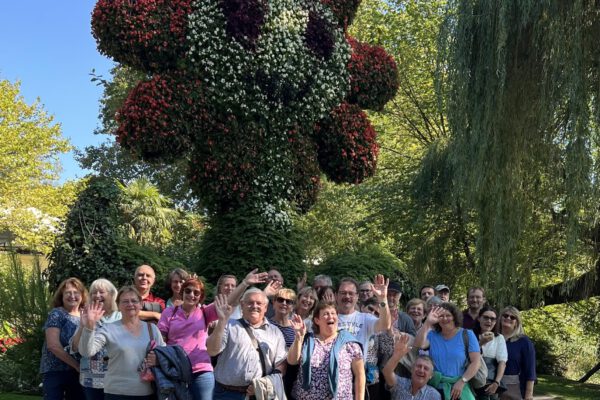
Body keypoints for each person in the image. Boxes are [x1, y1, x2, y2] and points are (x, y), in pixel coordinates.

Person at [159, 270, 268, 400]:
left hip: (201, 370)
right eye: (188, 291)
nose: (191, 295)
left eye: (196, 293)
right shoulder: (169, 312)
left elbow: (229, 301)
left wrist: (244, 283)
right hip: (175, 369)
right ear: (182, 292)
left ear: (201, 296)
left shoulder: (204, 312)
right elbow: (161, 340)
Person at [79, 286, 166, 400]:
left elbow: (165, 356)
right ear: (118, 306)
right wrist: (89, 326)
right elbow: (86, 351)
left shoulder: (152, 329)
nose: (130, 304)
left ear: (140, 304)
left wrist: (158, 359)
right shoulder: (108, 328)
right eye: (125, 301)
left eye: (134, 301)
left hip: (146, 393)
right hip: (116, 392)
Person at [207, 288, 287, 400]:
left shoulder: (276, 332)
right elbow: (212, 350)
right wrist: (221, 321)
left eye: (259, 303)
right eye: (250, 302)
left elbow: (281, 363)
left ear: (265, 307)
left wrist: (265, 383)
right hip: (225, 394)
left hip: (258, 395)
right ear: (242, 305)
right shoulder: (228, 325)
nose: (254, 306)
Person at [288, 302, 365, 400]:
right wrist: (299, 338)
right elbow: (292, 361)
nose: (330, 316)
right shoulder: (307, 340)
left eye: (333, 313)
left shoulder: (350, 343)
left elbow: (360, 375)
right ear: (317, 320)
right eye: (326, 314)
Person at [413, 303, 480, 400]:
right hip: (434, 387)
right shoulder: (432, 335)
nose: (444, 319)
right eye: (441, 316)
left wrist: (462, 381)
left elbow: (476, 362)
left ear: (454, 317)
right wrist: (427, 322)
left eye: (448, 315)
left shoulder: (467, 334)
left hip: (458, 388)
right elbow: (418, 345)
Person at [71, 279, 122, 400]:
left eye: (101, 292)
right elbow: (74, 348)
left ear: (112, 294)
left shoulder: (121, 317)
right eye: (94, 292)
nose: (97, 295)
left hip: (116, 378)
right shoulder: (86, 317)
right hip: (91, 380)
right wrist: (84, 325)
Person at [40, 277, 88, 400]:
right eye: (68, 293)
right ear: (61, 296)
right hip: (55, 371)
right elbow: (53, 346)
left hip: (79, 373)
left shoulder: (86, 315)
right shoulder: (57, 314)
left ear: (82, 295)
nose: (72, 296)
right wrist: (76, 366)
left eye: (76, 292)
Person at [336, 275, 391, 353]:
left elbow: (385, 325)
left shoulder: (365, 319)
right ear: (336, 295)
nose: (347, 296)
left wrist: (383, 299)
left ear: (357, 296)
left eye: (351, 293)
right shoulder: (328, 317)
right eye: (343, 293)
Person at [382, 333, 441, 400]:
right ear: (412, 369)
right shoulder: (400, 383)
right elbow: (386, 372)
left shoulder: (434, 395)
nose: (421, 370)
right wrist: (397, 356)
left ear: (431, 375)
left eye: (426, 368)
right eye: (419, 366)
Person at [499, 307, 535, 400]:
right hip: (492, 387)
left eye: (512, 317)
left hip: (513, 388)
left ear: (517, 323)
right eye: (505, 315)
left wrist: (528, 395)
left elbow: (530, 371)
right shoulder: (493, 338)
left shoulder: (524, 342)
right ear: (500, 318)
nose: (508, 318)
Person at [473, 307, 507, 400]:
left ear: (495, 322)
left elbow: (502, 362)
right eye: (485, 317)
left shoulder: (499, 338)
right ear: (479, 318)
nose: (489, 321)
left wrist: (496, 382)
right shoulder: (470, 335)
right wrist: (480, 343)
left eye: (492, 319)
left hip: (490, 382)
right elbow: (466, 358)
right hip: (471, 379)